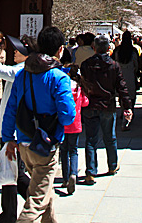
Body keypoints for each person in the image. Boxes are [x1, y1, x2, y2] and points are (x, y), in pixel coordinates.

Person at [1, 26, 76, 223]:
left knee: (43, 189)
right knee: (36, 200)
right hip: (46, 144)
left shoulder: (22, 75)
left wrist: (8, 138)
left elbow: (11, 110)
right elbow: (68, 116)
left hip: (24, 141)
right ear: (60, 49)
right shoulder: (59, 77)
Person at [0, 32, 36, 223]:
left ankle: (33, 204)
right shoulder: (22, 69)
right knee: (11, 172)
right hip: (12, 129)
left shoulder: (21, 71)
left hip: (13, 130)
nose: (15, 53)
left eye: (19, 50)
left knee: (13, 172)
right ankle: (14, 211)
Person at [79, 33, 133, 184]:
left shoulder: (86, 65)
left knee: (91, 139)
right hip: (107, 105)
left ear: (94, 47)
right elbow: (122, 87)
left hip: (90, 105)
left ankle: (90, 171)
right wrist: (127, 106)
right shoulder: (114, 66)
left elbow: (82, 84)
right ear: (108, 48)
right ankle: (112, 165)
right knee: (110, 137)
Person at [59, 64, 89, 195]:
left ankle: (65, 178)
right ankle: (73, 173)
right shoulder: (79, 88)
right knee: (73, 150)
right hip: (75, 123)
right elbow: (85, 102)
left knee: (63, 151)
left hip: (62, 123)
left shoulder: (63, 86)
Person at [113, 30, 140, 129]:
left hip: (120, 76)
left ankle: (122, 111)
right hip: (130, 76)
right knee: (131, 97)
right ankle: (129, 113)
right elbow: (136, 65)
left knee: (121, 95)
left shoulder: (117, 51)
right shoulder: (133, 51)